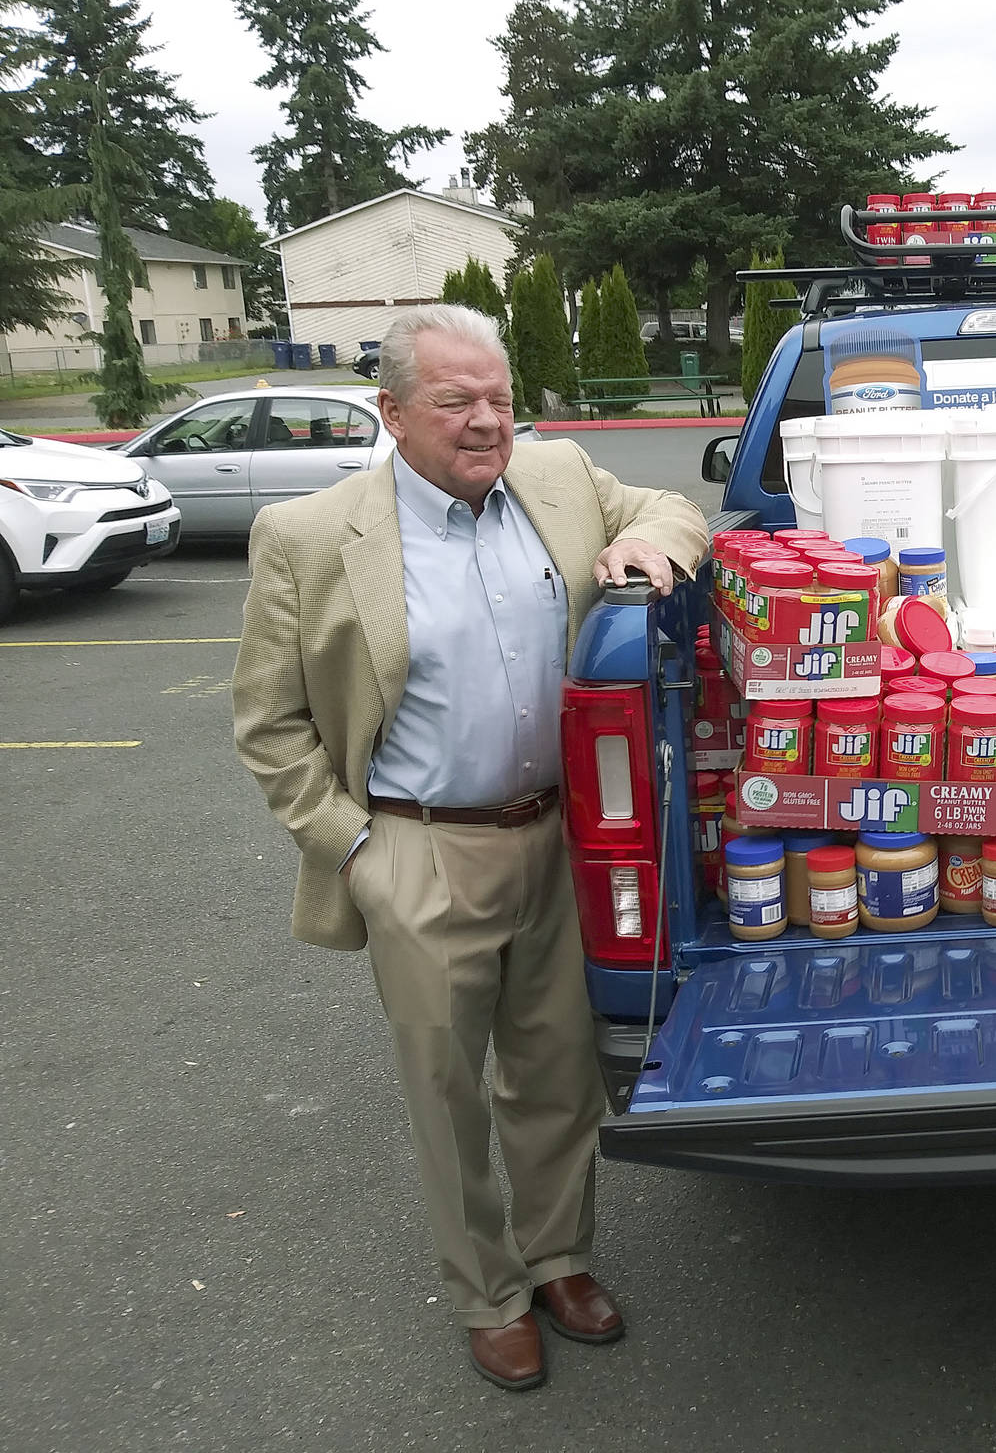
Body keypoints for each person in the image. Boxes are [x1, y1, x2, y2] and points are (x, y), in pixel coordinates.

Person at [231, 304, 709, 1391]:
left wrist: (647, 541)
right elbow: (267, 724)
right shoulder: (311, 537)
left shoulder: (561, 481)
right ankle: (487, 1292)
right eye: (456, 402)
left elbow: (679, 507)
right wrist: (354, 850)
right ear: (394, 412)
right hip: (419, 849)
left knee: (556, 1074)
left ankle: (558, 1262)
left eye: (497, 397)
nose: (486, 420)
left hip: (559, 840)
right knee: (446, 1093)